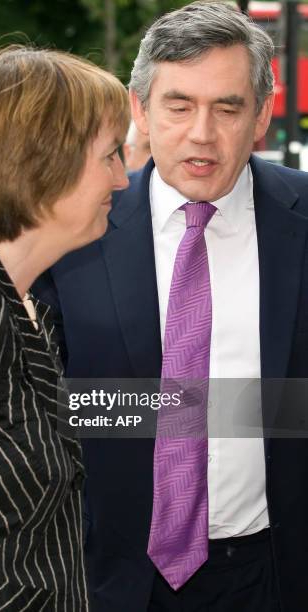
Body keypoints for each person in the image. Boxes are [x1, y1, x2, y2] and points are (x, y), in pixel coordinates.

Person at [32, 2, 308, 611]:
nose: (202, 133)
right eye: (179, 106)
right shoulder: (75, 229)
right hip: (108, 579)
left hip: (271, 574)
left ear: (262, 113)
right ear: (140, 111)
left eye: (228, 108)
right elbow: (46, 410)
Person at [0, 46, 129, 610]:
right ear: (45, 159)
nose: (122, 178)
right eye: (110, 155)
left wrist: (262, 411)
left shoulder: (13, 297)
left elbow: (60, 421)